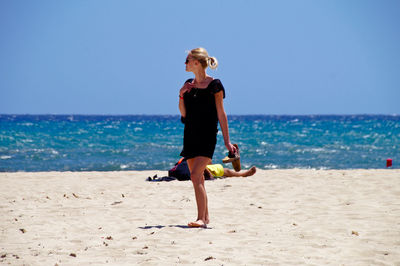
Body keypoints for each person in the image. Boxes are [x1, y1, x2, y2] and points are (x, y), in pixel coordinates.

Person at [179, 47, 238, 228]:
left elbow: (221, 113)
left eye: (187, 60)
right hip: (189, 136)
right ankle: (205, 218)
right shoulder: (188, 84)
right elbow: (184, 114)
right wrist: (181, 94)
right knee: (198, 179)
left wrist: (227, 141)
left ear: (196, 62)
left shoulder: (215, 85)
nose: (185, 63)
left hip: (207, 136)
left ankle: (201, 219)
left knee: (196, 175)